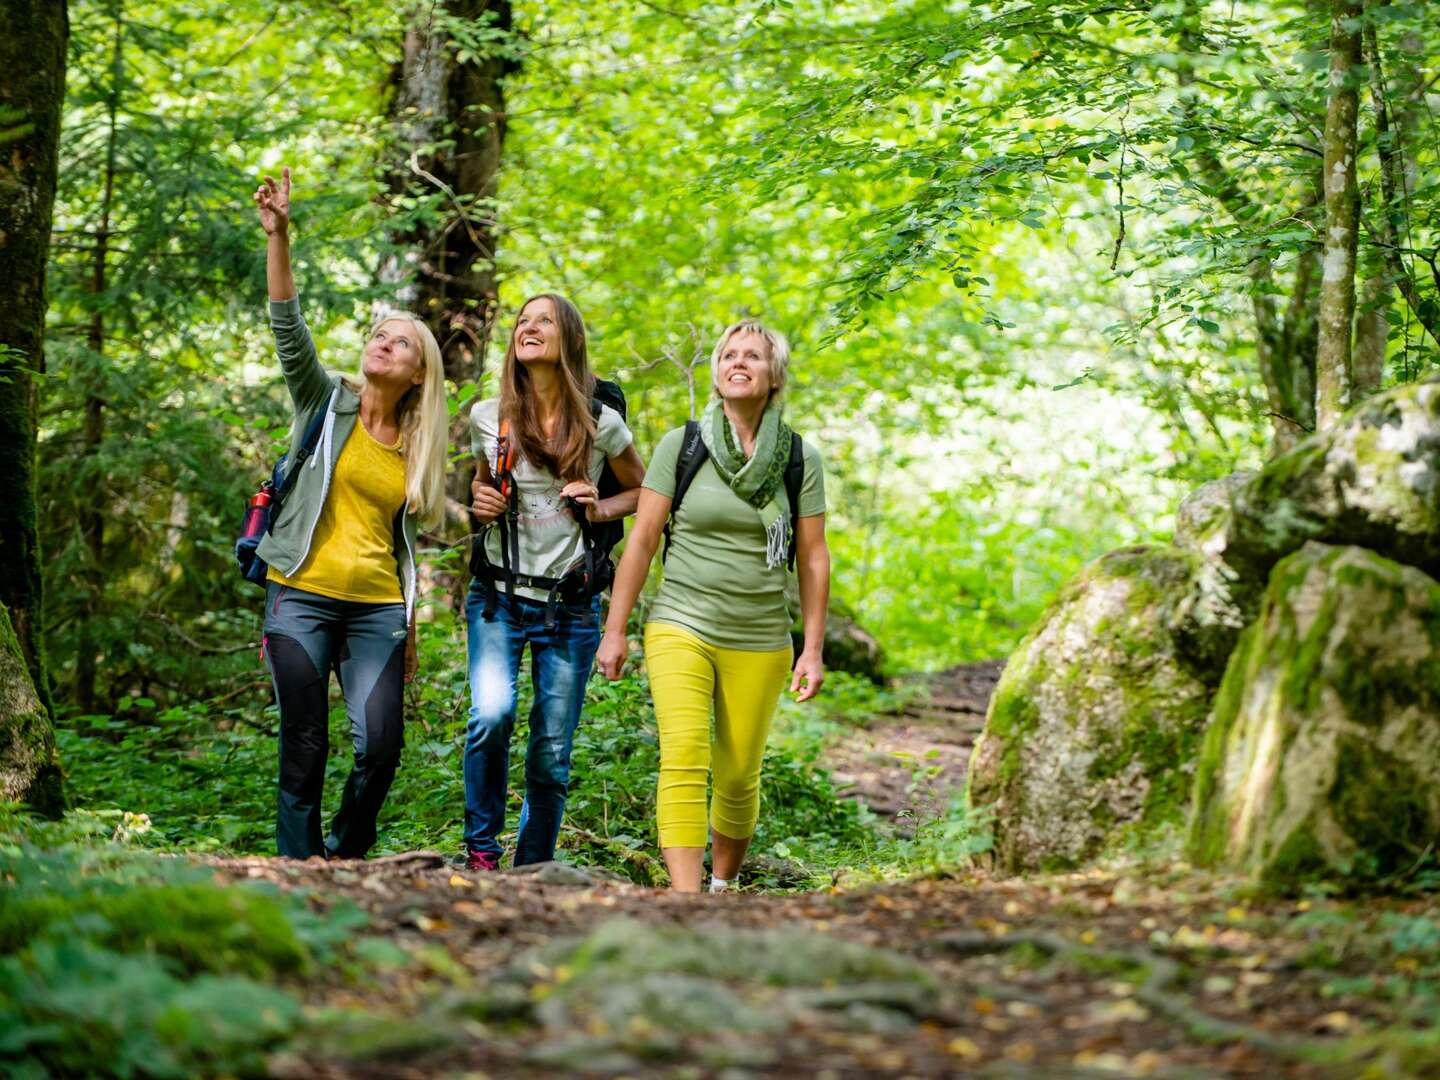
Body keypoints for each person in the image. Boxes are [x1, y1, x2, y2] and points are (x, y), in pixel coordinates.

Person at [253, 166, 448, 859]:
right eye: (378, 334)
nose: (381, 342)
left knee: (382, 749)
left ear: (419, 373)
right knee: (303, 742)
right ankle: (299, 869)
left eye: (399, 342)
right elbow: (287, 323)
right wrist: (280, 234)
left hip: (376, 611)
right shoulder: (323, 403)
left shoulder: (420, 449)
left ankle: (346, 853)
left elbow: (415, 541)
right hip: (300, 596)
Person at [595, 319, 830, 893]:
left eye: (753, 355)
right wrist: (615, 629)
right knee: (683, 755)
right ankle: (686, 899)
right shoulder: (684, 445)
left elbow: (814, 556)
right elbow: (644, 539)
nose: (738, 362)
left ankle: (722, 887)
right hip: (681, 623)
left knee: (739, 776)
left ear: (774, 375)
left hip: (761, 637)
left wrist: (813, 649)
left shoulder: (798, 458)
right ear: (717, 370)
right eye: (729, 354)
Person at [463, 294, 646, 871]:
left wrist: (598, 507)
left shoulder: (601, 422)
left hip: (568, 608)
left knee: (551, 751)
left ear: (568, 339)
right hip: (497, 595)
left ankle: (533, 868)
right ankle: (482, 854)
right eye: (522, 320)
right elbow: (480, 488)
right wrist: (481, 501)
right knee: (490, 717)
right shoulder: (488, 416)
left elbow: (642, 493)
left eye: (543, 320)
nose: (528, 328)